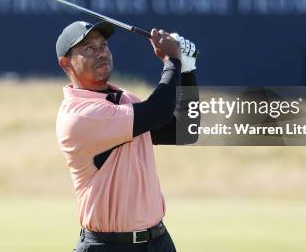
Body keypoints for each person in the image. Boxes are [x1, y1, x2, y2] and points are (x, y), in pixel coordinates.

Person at [55, 20, 200, 251]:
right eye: (89, 49)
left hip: (158, 241)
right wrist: (172, 60)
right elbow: (158, 111)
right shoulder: (80, 115)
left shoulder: (125, 99)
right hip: (109, 245)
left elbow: (184, 131)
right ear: (66, 63)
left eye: (103, 45)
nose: (101, 52)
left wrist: (187, 70)